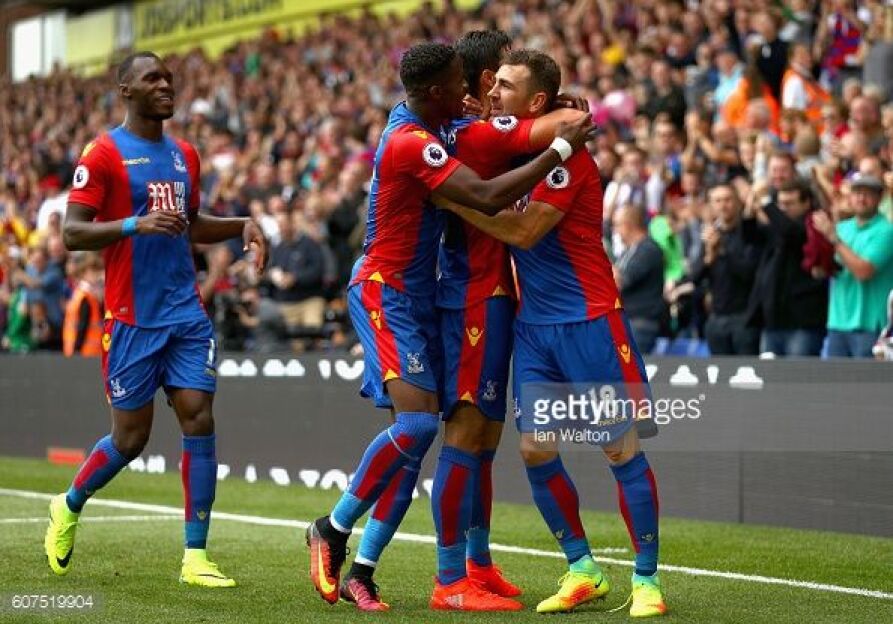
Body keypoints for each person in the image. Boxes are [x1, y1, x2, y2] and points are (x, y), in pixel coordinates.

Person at [305, 41, 594, 612]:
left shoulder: (432, 120)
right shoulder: (429, 139)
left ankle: (374, 568)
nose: (477, 93)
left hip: (423, 297)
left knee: (444, 442)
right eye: (484, 81)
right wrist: (564, 137)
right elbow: (495, 186)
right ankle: (354, 538)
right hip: (401, 291)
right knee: (423, 429)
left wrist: (556, 103)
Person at [443, 49, 667, 618]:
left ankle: (646, 580)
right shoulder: (516, 153)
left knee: (619, 448)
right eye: (494, 85)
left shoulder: (568, 160)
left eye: (507, 87)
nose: (494, 93)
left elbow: (524, 231)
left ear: (537, 101)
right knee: (535, 448)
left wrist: (454, 200)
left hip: (590, 321)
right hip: (535, 329)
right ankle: (583, 569)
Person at [45, 51, 267, 588]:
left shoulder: (184, 154)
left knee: (199, 418)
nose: (166, 85)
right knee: (130, 440)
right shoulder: (103, 154)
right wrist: (133, 225)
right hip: (132, 318)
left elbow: (190, 224)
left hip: (185, 314)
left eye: (169, 77)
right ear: (126, 90)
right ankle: (68, 504)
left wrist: (241, 224)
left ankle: (196, 556)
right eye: (152, 79)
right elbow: (73, 233)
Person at [813, 173, 893, 357]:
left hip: (869, 324)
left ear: (879, 198)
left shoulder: (887, 231)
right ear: (849, 197)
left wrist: (833, 239)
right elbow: (825, 271)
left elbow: (864, 271)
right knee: (832, 376)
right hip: (837, 322)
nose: (861, 198)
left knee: (864, 377)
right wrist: (818, 262)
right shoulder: (842, 228)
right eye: (857, 193)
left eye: (868, 194)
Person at [745, 180, 828, 356]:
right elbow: (750, 236)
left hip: (802, 321)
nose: (783, 209)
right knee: (769, 372)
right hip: (773, 319)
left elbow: (790, 232)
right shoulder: (778, 227)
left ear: (806, 203)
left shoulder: (814, 225)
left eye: (790, 203)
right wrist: (750, 207)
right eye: (780, 204)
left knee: (798, 373)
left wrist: (766, 201)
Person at [696, 184, 762, 355]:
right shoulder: (709, 235)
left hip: (744, 317)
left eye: (727, 200)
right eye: (718, 201)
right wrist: (708, 257)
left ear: (738, 203)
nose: (723, 205)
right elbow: (694, 278)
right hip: (716, 318)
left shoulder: (750, 232)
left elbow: (749, 272)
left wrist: (722, 251)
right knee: (718, 370)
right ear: (711, 205)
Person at [613, 204, 667, 354]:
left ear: (628, 225)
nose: (615, 231)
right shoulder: (629, 250)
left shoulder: (648, 249)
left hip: (640, 324)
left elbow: (619, 281)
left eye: (617, 225)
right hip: (626, 322)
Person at [62, 253, 104, 357]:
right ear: (83, 273)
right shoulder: (86, 296)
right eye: (93, 271)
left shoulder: (81, 294)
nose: (97, 275)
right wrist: (77, 350)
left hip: (84, 351)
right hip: (83, 351)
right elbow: (82, 325)